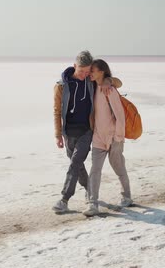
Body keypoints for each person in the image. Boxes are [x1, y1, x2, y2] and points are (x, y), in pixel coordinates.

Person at [52, 51, 122, 213]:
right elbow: (57, 112)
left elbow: (119, 83)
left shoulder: (92, 82)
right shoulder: (61, 86)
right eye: (81, 71)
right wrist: (58, 135)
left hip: (87, 130)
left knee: (75, 162)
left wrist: (108, 81)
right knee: (77, 164)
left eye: (88, 71)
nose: (85, 75)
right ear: (74, 66)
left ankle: (64, 199)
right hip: (68, 132)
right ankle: (89, 190)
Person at [84, 59, 132, 217]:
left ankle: (127, 197)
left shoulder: (109, 90)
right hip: (98, 137)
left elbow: (120, 115)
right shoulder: (92, 87)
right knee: (95, 170)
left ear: (102, 72)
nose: (90, 73)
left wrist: (119, 137)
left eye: (93, 70)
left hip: (113, 137)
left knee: (119, 168)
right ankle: (93, 203)